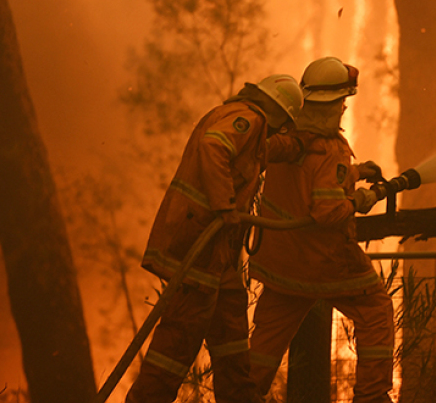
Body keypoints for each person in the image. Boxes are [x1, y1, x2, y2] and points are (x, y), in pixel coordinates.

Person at [127, 74, 306, 403]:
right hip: (200, 244)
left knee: (231, 333)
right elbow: (215, 146)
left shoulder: (240, 117)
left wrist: (298, 147)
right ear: (279, 112)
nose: (282, 128)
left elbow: (262, 151)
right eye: (285, 123)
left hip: (217, 253)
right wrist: (225, 206)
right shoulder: (249, 119)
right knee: (179, 337)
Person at [248, 57, 393, 403]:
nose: (344, 109)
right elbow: (327, 211)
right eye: (343, 101)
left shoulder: (289, 139)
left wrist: (356, 172)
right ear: (333, 104)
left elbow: (309, 180)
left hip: (283, 264)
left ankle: (242, 396)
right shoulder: (329, 149)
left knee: (266, 340)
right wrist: (361, 199)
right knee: (376, 309)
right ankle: (372, 397)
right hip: (325, 261)